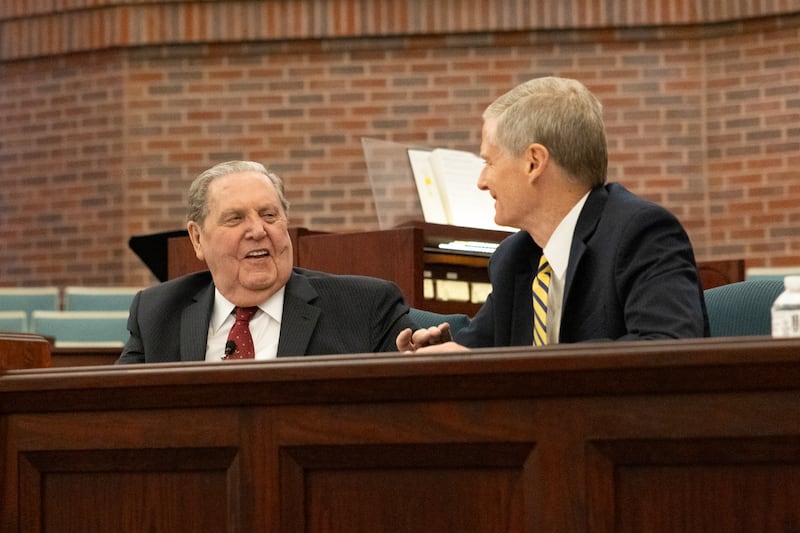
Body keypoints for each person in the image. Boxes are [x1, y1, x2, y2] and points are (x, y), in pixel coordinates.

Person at [397, 76, 709, 353]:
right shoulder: (514, 258)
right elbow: (478, 358)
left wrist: (522, 371)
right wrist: (442, 359)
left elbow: (669, 348)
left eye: (489, 161)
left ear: (534, 162)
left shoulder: (642, 233)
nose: (481, 181)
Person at [117, 160, 416, 364]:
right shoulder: (156, 315)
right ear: (197, 239)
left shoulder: (364, 307)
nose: (258, 231)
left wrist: (418, 365)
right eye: (235, 219)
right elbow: (117, 414)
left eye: (269, 215)